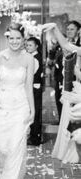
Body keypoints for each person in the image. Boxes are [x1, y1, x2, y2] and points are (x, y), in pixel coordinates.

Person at [0, 23, 35, 179]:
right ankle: (2, 167)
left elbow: (29, 86)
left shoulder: (29, 59)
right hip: (2, 106)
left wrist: (32, 110)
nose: (15, 41)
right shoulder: (0, 56)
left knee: (16, 146)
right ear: (7, 38)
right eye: (11, 38)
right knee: (1, 144)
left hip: (20, 107)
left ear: (23, 39)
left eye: (18, 38)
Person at [42, 22, 81, 163]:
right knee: (70, 122)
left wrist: (75, 71)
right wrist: (55, 27)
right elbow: (65, 45)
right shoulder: (79, 49)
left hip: (78, 92)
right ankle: (72, 151)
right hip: (76, 90)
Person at [26, 37, 43, 146]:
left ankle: (35, 138)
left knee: (34, 112)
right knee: (33, 112)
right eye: (26, 45)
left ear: (36, 46)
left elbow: (30, 76)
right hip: (33, 87)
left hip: (33, 88)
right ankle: (33, 135)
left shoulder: (34, 58)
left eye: (30, 45)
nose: (28, 47)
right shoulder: (31, 57)